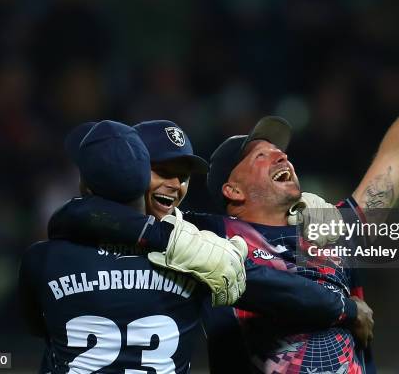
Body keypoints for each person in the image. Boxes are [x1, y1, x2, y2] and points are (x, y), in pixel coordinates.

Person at [47, 0, 399, 373]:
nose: (281, 155)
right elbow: (96, 215)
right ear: (232, 191)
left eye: (280, 151)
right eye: (260, 155)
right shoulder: (209, 236)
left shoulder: (330, 230)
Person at [18, 120, 248, 373]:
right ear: (138, 171)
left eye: (183, 176)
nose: (175, 184)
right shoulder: (199, 254)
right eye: (162, 170)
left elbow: (39, 327)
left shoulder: (43, 258)